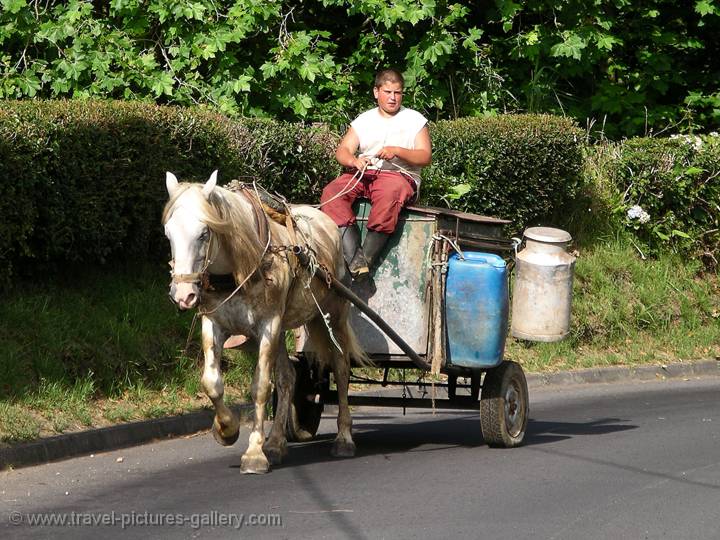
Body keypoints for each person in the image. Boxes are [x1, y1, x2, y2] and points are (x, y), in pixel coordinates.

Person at [320, 68, 432, 280]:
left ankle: (367, 260)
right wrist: (354, 160)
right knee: (332, 192)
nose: (393, 98)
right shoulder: (364, 120)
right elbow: (342, 151)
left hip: (398, 177)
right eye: (388, 92)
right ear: (376, 92)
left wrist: (397, 151)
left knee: (389, 192)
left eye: (397, 93)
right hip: (364, 174)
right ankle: (355, 259)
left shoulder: (414, 120)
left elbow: (425, 156)